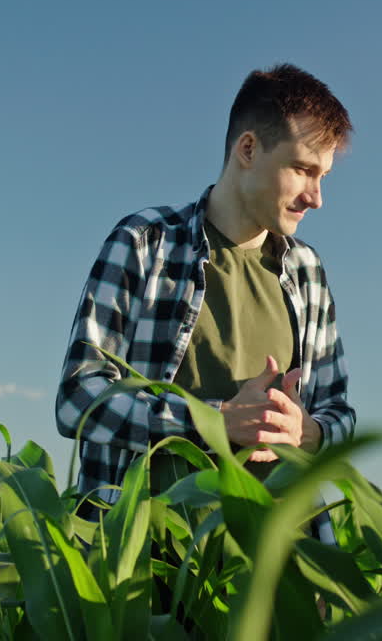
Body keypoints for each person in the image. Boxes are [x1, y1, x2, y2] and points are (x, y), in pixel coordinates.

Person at [55, 63, 356, 517]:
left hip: (269, 562)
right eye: (302, 169)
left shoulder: (308, 271)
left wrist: (304, 431)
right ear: (249, 149)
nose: (316, 197)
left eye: (324, 176)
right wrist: (213, 423)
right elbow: (79, 398)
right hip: (142, 552)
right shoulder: (144, 242)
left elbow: (338, 414)